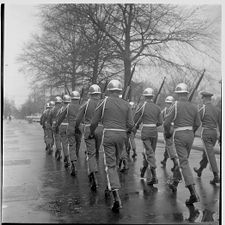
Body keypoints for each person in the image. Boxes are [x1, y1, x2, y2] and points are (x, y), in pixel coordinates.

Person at [89, 79, 134, 212]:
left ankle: (116, 196)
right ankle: (109, 187)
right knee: (115, 161)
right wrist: (126, 133)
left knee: (110, 166)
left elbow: (94, 122)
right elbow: (131, 125)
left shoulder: (104, 102)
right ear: (120, 91)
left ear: (108, 90)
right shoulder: (126, 104)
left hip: (108, 134)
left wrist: (91, 132)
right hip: (122, 135)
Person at [164, 83, 201, 205]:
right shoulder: (194, 106)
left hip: (179, 135)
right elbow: (197, 124)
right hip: (190, 135)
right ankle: (174, 183)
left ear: (178, 94)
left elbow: (166, 122)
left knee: (184, 163)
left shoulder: (175, 105)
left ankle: (193, 193)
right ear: (187, 94)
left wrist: (168, 133)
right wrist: (191, 132)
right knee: (183, 160)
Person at [76, 84, 103, 191]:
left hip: (88, 128)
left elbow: (78, 119)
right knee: (96, 151)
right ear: (99, 93)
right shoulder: (102, 103)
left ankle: (93, 173)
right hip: (100, 129)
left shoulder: (86, 104)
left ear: (90, 94)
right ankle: (94, 168)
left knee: (91, 153)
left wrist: (78, 128)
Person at [133, 88, 162, 186]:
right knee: (150, 152)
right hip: (154, 131)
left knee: (149, 153)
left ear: (145, 96)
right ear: (152, 96)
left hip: (146, 131)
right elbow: (160, 122)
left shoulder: (142, 106)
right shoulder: (157, 107)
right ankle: (143, 170)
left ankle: (154, 176)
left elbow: (135, 119)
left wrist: (135, 126)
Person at [193, 91, 220, 185]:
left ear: (204, 98)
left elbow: (196, 122)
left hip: (206, 133)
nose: (202, 100)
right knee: (207, 152)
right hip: (214, 134)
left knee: (210, 154)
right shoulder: (217, 110)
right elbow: (220, 124)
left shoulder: (203, 109)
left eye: (203, 98)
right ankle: (200, 169)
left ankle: (216, 175)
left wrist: (193, 131)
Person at [56, 92, 81, 176]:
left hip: (70, 128)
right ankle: (75, 158)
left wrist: (57, 125)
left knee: (72, 146)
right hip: (79, 128)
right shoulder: (82, 106)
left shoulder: (68, 106)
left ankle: (73, 161)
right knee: (77, 146)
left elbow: (61, 117)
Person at [161, 96, 180, 172]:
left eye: (169, 103)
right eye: (167, 103)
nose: (168, 104)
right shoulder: (174, 110)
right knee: (168, 145)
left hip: (168, 130)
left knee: (169, 146)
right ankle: (164, 160)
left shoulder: (165, 111)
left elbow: (161, 120)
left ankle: (175, 162)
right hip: (172, 129)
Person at [55, 95, 71, 169]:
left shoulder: (61, 109)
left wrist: (56, 127)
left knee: (64, 143)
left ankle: (66, 158)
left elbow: (58, 119)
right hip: (70, 127)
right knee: (71, 144)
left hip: (62, 127)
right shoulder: (71, 108)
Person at [50, 96, 63, 160]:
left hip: (55, 126)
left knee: (57, 139)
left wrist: (51, 125)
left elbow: (50, 118)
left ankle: (59, 151)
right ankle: (62, 151)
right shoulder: (63, 108)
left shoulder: (52, 109)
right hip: (62, 125)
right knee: (63, 140)